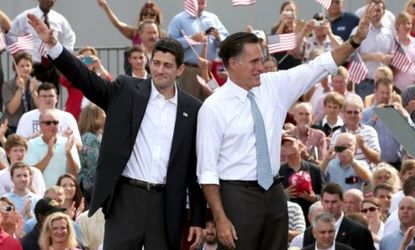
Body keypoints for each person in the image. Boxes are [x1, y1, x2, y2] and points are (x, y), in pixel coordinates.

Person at [196, 5, 375, 249]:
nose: (262, 66)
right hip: (236, 196)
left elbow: (318, 66)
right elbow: (206, 170)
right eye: (254, 61)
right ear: (233, 64)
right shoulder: (213, 107)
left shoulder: (274, 85)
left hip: (273, 193)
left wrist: (354, 41)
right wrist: (220, 217)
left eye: (262, 59)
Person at [28, 14, 206, 250]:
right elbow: (86, 79)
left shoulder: (193, 109)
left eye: (167, 65)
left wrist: (197, 218)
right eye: (156, 63)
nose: (160, 70)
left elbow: (196, 168)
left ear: (180, 69)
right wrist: (54, 47)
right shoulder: (127, 90)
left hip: (167, 205)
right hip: (126, 199)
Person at [8, 0, 76, 93]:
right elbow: (9, 33)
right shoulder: (26, 16)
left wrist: (63, 56)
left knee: (52, 97)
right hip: (32, 66)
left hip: (53, 66)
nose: (49, 1)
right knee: (32, 98)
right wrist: (18, 53)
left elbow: (70, 37)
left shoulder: (58, 18)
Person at [168, 0, 229, 100]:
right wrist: (191, 39)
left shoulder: (213, 18)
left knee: (213, 101)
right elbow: (170, 45)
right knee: (189, 104)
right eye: (198, 3)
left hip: (211, 70)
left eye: (203, 3)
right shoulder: (178, 20)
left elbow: (227, 42)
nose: (200, 6)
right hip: (190, 71)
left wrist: (219, 37)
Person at [302, 183, 375, 250]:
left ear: (342, 202)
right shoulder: (310, 232)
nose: (329, 206)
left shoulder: (359, 232)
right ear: (321, 202)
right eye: (326, 202)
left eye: (334, 202)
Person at [24, 109, 81, 187]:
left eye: (55, 122)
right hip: (42, 195)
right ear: (40, 125)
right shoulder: (31, 144)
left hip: (63, 194)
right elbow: (30, 173)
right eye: (48, 123)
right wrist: (49, 155)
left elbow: (75, 174)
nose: (52, 125)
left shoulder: (68, 143)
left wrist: (69, 154)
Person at [352, 0, 395, 99]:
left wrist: (389, 58)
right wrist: (373, 57)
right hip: (365, 83)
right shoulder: (358, 31)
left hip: (384, 85)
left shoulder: (388, 33)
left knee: (383, 113)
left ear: (383, 12)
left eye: (378, 10)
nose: (375, 13)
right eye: (372, 10)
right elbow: (351, 55)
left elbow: (392, 55)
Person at [16, 82, 82, 146]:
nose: (48, 99)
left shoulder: (68, 117)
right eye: (44, 96)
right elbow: (17, 145)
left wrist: (65, 140)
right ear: (38, 98)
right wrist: (36, 138)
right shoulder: (26, 117)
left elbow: (79, 145)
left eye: (51, 96)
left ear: (57, 98)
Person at [60, 46, 111, 120]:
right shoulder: (75, 75)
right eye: (84, 58)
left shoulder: (97, 75)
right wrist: (74, 63)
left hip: (94, 115)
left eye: (90, 58)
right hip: (76, 114)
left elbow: (108, 81)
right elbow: (63, 81)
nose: (87, 61)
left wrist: (99, 67)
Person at [2, 52, 38, 133]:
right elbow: (11, 109)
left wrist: (34, 92)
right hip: (12, 127)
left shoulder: (36, 83)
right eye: (22, 66)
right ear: (15, 67)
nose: (25, 68)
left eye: (28, 65)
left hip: (31, 127)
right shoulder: (8, 85)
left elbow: (42, 108)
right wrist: (19, 89)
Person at [77, 104, 105, 206]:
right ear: (95, 117)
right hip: (91, 188)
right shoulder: (89, 139)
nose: (105, 115)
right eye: (102, 113)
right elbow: (94, 166)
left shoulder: (98, 136)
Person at [393, 12, 415, 92]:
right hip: (396, 88)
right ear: (398, 25)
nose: (407, 26)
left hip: (413, 87)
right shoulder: (393, 42)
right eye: (404, 23)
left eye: (409, 23)